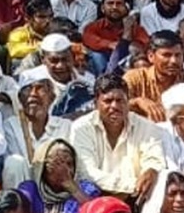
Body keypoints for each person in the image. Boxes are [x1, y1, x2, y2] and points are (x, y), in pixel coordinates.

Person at [69, 74, 166, 204]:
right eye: (108, 101)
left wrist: (151, 171)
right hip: (95, 199)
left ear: (128, 102)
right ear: (95, 104)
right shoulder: (81, 128)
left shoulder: (146, 126)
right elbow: (87, 173)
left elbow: (155, 161)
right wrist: (133, 185)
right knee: (86, 186)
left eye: (120, 100)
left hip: (138, 200)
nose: (114, 106)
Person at [17, 139, 99, 213]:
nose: (64, 169)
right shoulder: (30, 189)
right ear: (42, 168)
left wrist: (73, 188)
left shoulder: (85, 189)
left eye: (69, 164)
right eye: (57, 163)